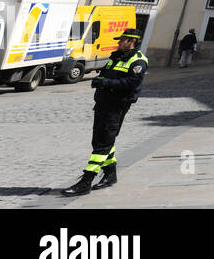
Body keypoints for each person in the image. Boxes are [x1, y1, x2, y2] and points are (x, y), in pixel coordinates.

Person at [62, 30, 149, 196]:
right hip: (103, 103)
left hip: (117, 106)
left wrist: (106, 82)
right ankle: (110, 175)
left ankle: (86, 182)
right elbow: (106, 74)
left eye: (122, 40)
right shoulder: (116, 56)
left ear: (132, 41)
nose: (118, 43)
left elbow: (132, 83)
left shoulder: (138, 61)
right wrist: (100, 81)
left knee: (103, 143)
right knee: (100, 141)